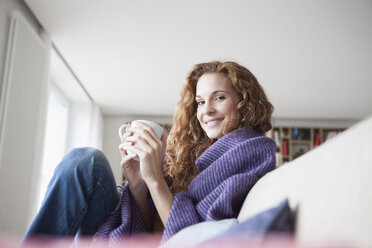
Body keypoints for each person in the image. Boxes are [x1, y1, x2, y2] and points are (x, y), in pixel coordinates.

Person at [22, 61, 276, 244]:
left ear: (245, 102)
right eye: (200, 101)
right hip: (132, 235)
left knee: (87, 163)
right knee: (85, 161)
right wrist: (138, 183)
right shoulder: (199, 157)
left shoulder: (250, 151)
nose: (206, 110)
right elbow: (149, 228)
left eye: (219, 98)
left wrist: (154, 178)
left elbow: (186, 234)